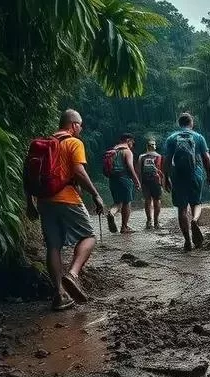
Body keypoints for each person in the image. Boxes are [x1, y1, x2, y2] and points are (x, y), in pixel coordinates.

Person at [25, 109, 105, 311]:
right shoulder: (73, 143)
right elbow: (78, 171)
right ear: (73, 125)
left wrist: (30, 203)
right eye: (80, 125)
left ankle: (59, 294)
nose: (81, 128)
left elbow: (27, 175)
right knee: (89, 236)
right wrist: (95, 194)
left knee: (53, 246)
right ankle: (73, 274)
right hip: (67, 198)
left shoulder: (42, 145)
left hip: (44, 201)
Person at [163, 112, 210, 251]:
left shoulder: (172, 139)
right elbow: (206, 158)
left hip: (178, 176)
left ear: (179, 124)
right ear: (191, 123)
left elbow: (167, 160)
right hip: (195, 174)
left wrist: (165, 177)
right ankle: (195, 220)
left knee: (181, 209)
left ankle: (187, 241)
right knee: (196, 203)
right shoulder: (198, 137)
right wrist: (209, 175)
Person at [104, 133, 141, 234]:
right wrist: (136, 180)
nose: (132, 144)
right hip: (124, 179)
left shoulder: (113, 150)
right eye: (132, 142)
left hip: (112, 179)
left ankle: (111, 212)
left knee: (117, 202)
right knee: (127, 202)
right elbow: (130, 167)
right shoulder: (127, 151)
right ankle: (124, 227)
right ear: (128, 140)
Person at [137, 138, 165, 230]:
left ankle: (149, 222)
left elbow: (139, 171)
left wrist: (139, 182)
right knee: (156, 200)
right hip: (156, 181)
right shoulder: (159, 156)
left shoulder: (142, 156)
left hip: (146, 182)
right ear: (154, 146)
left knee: (148, 200)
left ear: (147, 146)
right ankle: (156, 222)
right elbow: (162, 171)